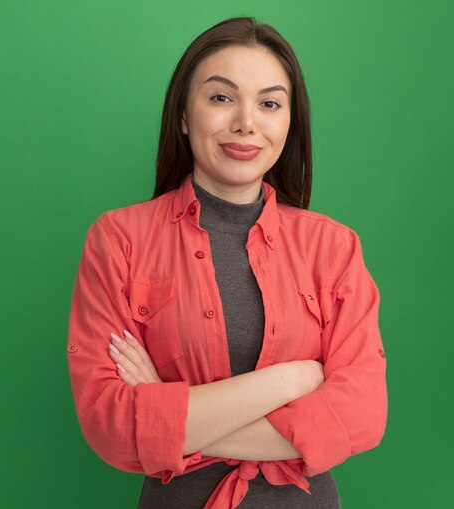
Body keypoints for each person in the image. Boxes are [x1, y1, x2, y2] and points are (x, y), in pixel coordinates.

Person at [66, 16, 388, 509]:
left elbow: (361, 415)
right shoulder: (119, 240)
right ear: (182, 115)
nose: (246, 121)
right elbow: (110, 425)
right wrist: (291, 380)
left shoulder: (333, 247)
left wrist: (170, 422)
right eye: (221, 97)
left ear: (288, 122)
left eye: (270, 103)